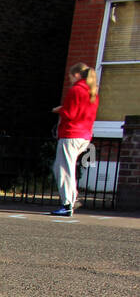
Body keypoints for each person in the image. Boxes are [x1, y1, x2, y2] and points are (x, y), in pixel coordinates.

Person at [50, 63, 100, 218]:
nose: (69, 79)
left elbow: (71, 114)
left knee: (63, 169)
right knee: (68, 167)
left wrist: (59, 110)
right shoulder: (92, 92)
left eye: (70, 76)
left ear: (77, 75)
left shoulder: (76, 90)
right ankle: (72, 197)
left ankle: (68, 203)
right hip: (85, 135)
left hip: (71, 134)